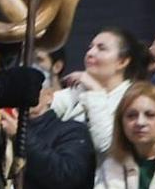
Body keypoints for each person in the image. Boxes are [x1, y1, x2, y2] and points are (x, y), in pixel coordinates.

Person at [16, 64, 96, 189]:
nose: (21, 96)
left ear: (49, 96)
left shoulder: (71, 130)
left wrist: (20, 135)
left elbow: (65, 174)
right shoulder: (1, 132)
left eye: (29, 88)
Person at [51, 26, 146, 157]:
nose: (90, 53)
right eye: (90, 47)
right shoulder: (79, 89)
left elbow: (105, 146)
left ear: (122, 61)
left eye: (101, 48)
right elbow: (46, 107)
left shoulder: (135, 98)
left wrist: (95, 90)